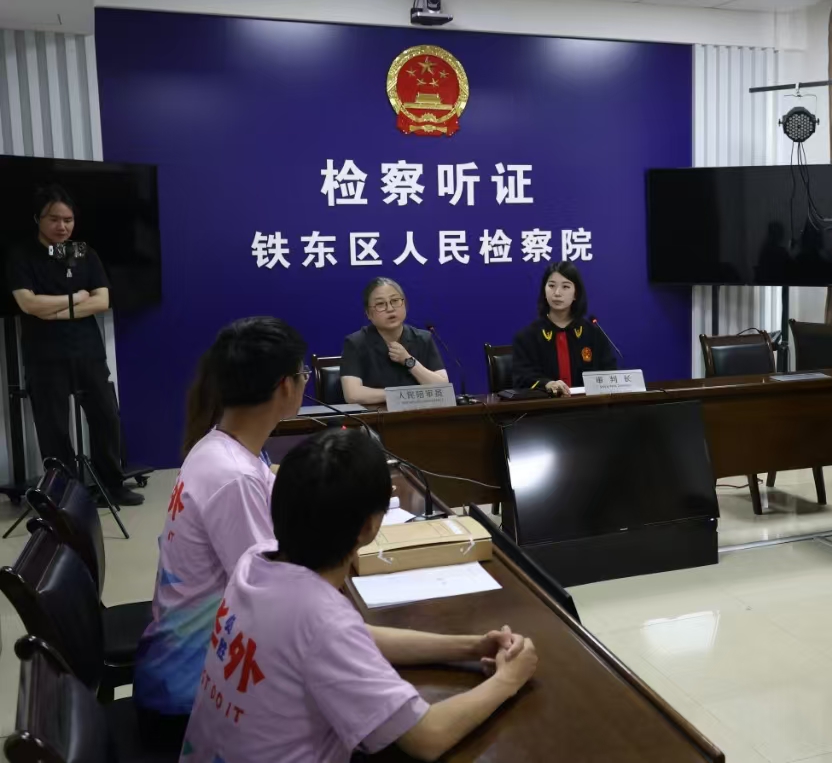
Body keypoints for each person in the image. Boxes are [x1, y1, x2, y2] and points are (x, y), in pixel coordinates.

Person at [181, 429, 538, 762]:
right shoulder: (321, 618)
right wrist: (508, 679)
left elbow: (351, 638)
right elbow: (427, 737)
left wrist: (471, 647)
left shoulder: (255, 561)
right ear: (370, 527)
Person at [134, 316, 308, 744]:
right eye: (303, 372)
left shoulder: (220, 446)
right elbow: (274, 603)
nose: (307, 381)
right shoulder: (233, 477)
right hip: (192, 694)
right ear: (285, 387)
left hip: (193, 668)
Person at [4, 185, 142, 506]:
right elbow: (28, 304)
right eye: (54, 219)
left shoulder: (82, 252)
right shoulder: (22, 255)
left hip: (87, 350)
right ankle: (64, 496)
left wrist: (54, 310)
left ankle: (112, 485)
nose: (62, 227)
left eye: (68, 220)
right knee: (53, 428)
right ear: (38, 219)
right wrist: (75, 298)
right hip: (44, 355)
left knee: (106, 417)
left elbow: (102, 300)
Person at [511, 261, 617, 396]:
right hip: (546, 406)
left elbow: (610, 374)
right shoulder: (527, 337)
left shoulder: (594, 335)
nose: (557, 293)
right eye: (551, 286)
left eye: (565, 287)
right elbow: (521, 378)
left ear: (576, 294)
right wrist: (547, 384)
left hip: (589, 406)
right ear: (544, 291)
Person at [341, 277, 448, 405]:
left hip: (421, 413)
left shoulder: (423, 339)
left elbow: (443, 388)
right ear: (368, 314)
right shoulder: (356, 343)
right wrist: (401, 395)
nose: (390, 308)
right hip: (377, 415)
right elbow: (352, 395)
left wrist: (409, 361)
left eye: (395, 301)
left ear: (405, 305)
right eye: (380, 304)